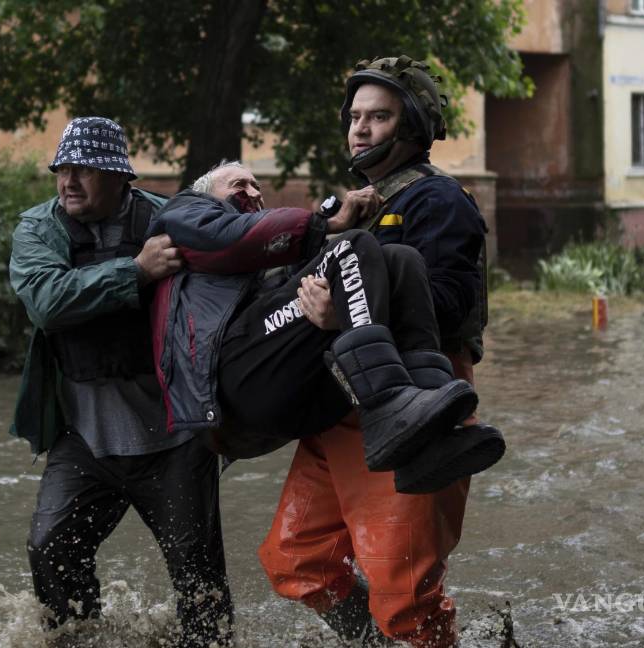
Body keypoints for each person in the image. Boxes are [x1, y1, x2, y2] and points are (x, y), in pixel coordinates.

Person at [258, 56, 506, 647]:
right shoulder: (356, 206)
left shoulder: (439, 201)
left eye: (379, 117)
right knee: (296, 560)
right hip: (340, 404)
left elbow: (446, 305)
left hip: (416, 403)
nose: (360, 129)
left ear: (413, 126)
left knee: (406, 596)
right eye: (355, 117)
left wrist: (345, 313)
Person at [7, 116, 232, 646]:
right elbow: (45, 301)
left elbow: (237, 272)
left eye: (84, 170)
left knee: (201, 588)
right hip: (84, 441)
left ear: (119, 177)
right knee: (50, 548)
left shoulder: (172, 220)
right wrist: (136, 272)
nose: (68, 181)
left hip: (175, 442)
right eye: (61, 169)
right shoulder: (39, 229)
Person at [147, 161, 503, 490]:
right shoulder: (185, 212)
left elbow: (280, 284)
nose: (254, 192)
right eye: (239, 184)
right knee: (353, 245)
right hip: (229, 386)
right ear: (203, 194)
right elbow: (226, 236)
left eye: (258, 186)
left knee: (401, 258)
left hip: (281, 387)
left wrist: (334, 311)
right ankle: (385, 409)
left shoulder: (263, 262)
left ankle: (432, 430)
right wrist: (326, 225)